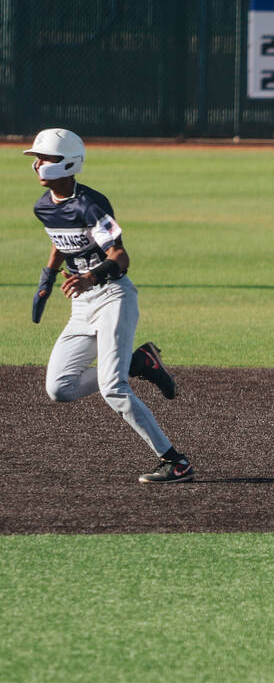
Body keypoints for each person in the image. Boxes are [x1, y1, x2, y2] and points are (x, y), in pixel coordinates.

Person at [25, 128, 193, 482]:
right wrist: (47, 279)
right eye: (37, 159)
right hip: (81, 305)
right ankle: (138, 362)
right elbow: (61, 242)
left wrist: (90, 277)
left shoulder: (91, 203)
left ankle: (175, 461)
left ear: (68, 163)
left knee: (113, 388)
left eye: (45, 158)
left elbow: (120, 256)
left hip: (113, 297)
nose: (37, 164)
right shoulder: (43, 206)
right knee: (59, 388)